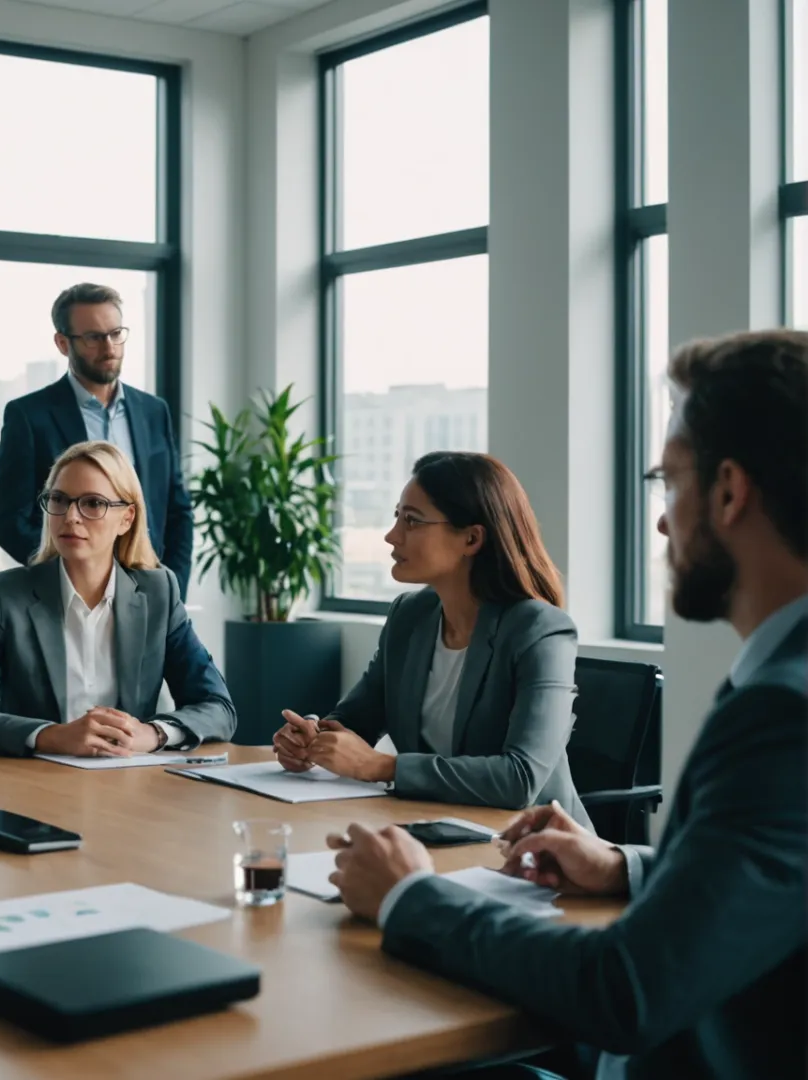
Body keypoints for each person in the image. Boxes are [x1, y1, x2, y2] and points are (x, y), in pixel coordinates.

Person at [330, 330, 807, 1080]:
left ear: (728, 491)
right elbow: (776, 880)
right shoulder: (779, 679)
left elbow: (627, 988)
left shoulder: (785, 712)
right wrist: (625, 865)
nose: (659, 520)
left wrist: (411, 898)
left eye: (666, 481)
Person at [273, 452, 587, 822]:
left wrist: (384, 768)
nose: (392, 536)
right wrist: (310, 738)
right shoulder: (409, 616)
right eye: (397, 517)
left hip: (535, 848)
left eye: (412, 521)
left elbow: (519, 780)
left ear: (471, 539)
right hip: (431, 826)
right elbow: (354, 722)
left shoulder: (540, 630)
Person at [0, 441, 234, 757]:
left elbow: (217, 707)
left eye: (93, 503)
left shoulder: (158, 592)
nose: (71, 517)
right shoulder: (7, 595)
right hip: (35, 788)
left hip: (131, 786)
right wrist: (52, 736)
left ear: (126, 518)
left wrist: (154, 734)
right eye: (59, 500)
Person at [0, 283, 194, 593]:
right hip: (68, 595)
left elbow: (176, 509)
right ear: (62, 343)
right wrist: (69, 576)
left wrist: (172, 586)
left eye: (115, 334)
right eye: (93, 338)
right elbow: (10, 520)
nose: (109, 348)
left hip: (147, 590)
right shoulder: (29, 416)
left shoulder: (154, 411)